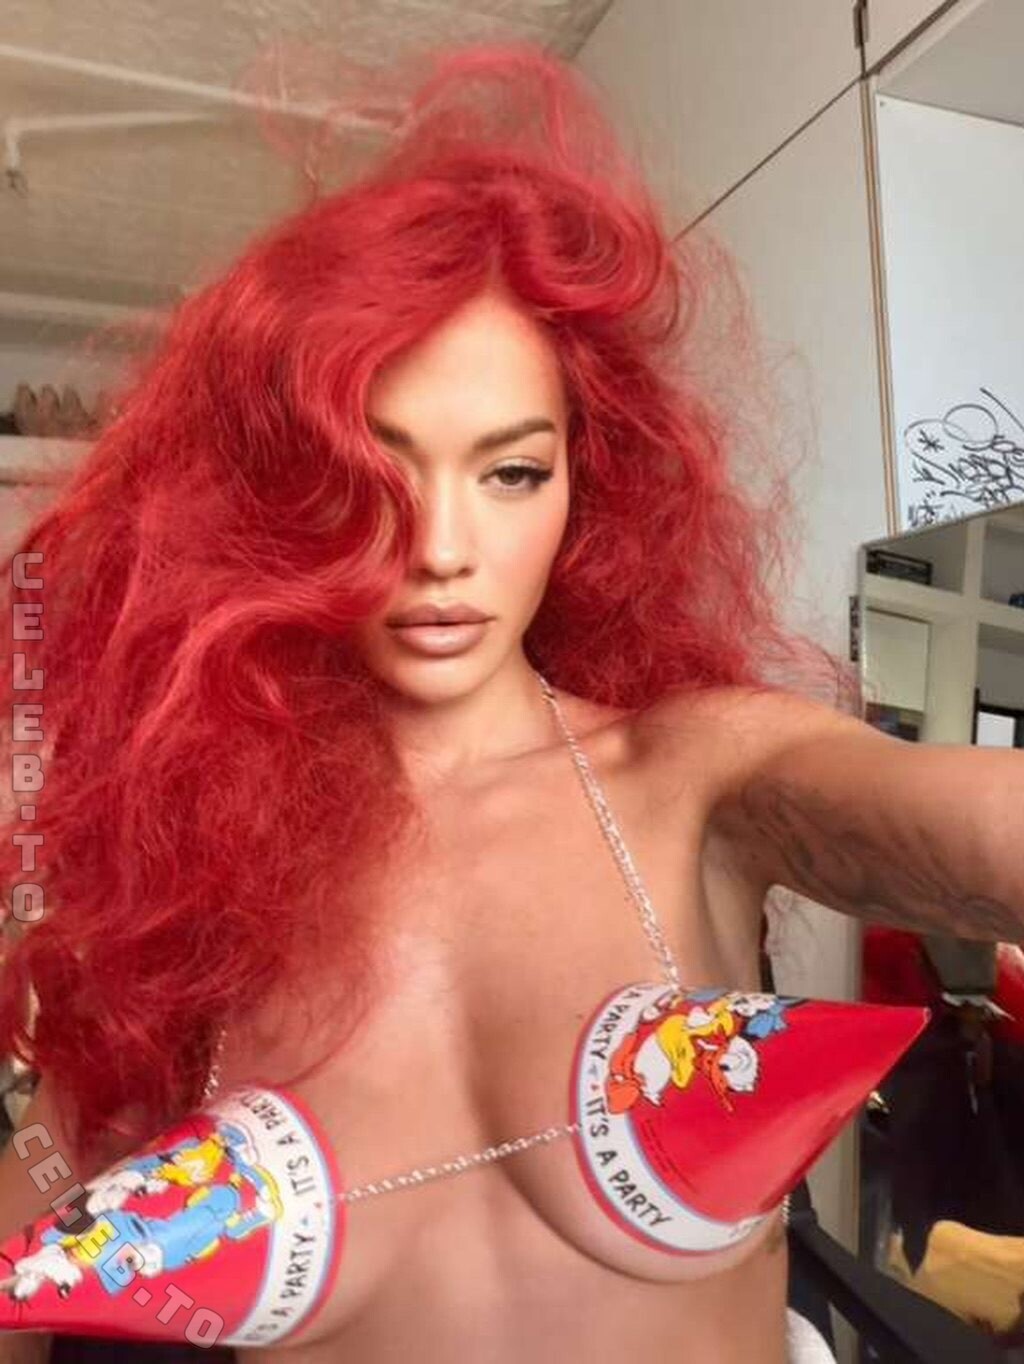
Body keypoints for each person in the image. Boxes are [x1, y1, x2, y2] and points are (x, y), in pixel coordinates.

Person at [1, 39, 1021, 1364]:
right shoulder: (204, 873)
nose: (439, 548)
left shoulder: (692, 778)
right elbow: (44, 1220)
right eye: (372, 476)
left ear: (589, 486)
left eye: (510, 473)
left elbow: (973, 822)